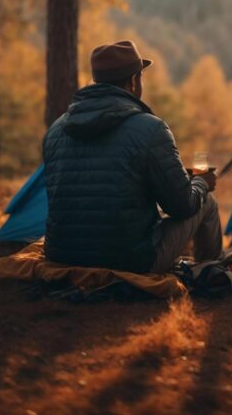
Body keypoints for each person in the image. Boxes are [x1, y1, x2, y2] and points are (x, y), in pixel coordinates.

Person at [42, 40, 222, 274]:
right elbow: (182, 206)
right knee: (206, 201)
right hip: (130, 261)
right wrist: (201, 183)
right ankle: (210, 274)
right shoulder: (150, 129)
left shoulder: (56, 130)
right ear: (134, 80)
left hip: (61, 255)